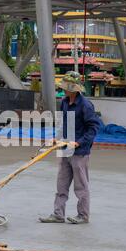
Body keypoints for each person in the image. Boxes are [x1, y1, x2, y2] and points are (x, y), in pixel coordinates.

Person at [40, 71, 101, 224]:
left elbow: (93, 128)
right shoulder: (65, 102)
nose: (64, 90)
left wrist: (79, 142)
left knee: (81, 186)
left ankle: (83, 216)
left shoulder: (86, 105)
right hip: (65, 149)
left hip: (79, 152)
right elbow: (62, 124)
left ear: (74, 88)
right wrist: (56, 138)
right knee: (61, 184)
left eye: (67, 87)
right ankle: (58, 214)